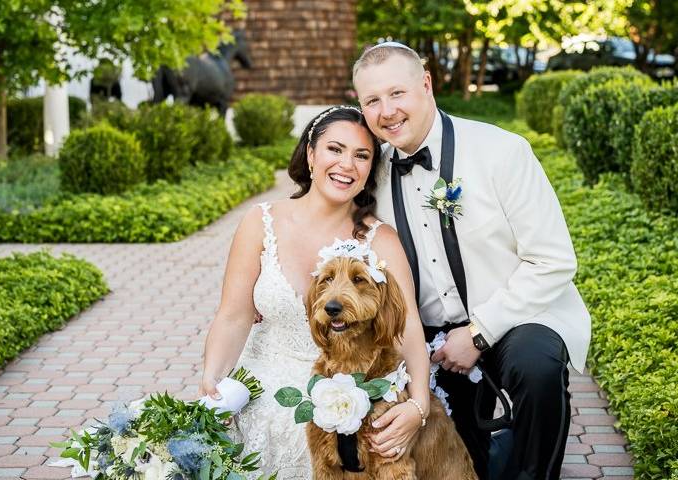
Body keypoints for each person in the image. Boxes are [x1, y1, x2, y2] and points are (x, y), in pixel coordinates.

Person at [352, 42, 591, 480]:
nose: (387, 111)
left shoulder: (502, 151)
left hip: (517, 317)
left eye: (397, 93)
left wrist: (479, 333)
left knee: (537, 371)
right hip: (428, 337)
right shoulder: (371, 171)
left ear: (426, 84)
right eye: (372, 101)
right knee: (463, 463)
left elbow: (553, 260)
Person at [199, 106, 432, 478]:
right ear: (311, 154)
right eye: (334, 149)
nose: (346, 165)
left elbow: (407, 330)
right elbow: (234, 315)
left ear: (372, 168)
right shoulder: (260, 222)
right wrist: (212, 379)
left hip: (345, 399)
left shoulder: (380, 239)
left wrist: (418, 405)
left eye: (361, 155)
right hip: (261, 386)